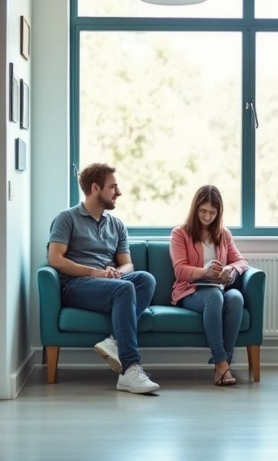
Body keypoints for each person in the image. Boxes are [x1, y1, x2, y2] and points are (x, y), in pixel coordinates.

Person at [47, 163, 159, 394]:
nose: (119, 192)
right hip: (76, 286)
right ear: (95, 188)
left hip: (108, 283)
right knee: (125, 289)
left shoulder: (116, 225)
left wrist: (117, 273)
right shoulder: (66, 218)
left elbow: (127, 263)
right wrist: (94, 272)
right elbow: (55, 260)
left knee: (145, 279)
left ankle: (114, 341)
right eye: (113, 187)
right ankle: (130, 369)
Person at [169, 185, 248, 386]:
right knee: (214, 296)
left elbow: (241, 261)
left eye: (212, 213)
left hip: (220, 290)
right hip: (191, 291)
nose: (207, 216)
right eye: (203, 211)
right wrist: (204, 272)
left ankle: (223, 366)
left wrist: (230, 269)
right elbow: (179, 270)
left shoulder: (223, 234)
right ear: (195, 209)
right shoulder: (180, 234)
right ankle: (221, 362)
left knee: (236, 298)